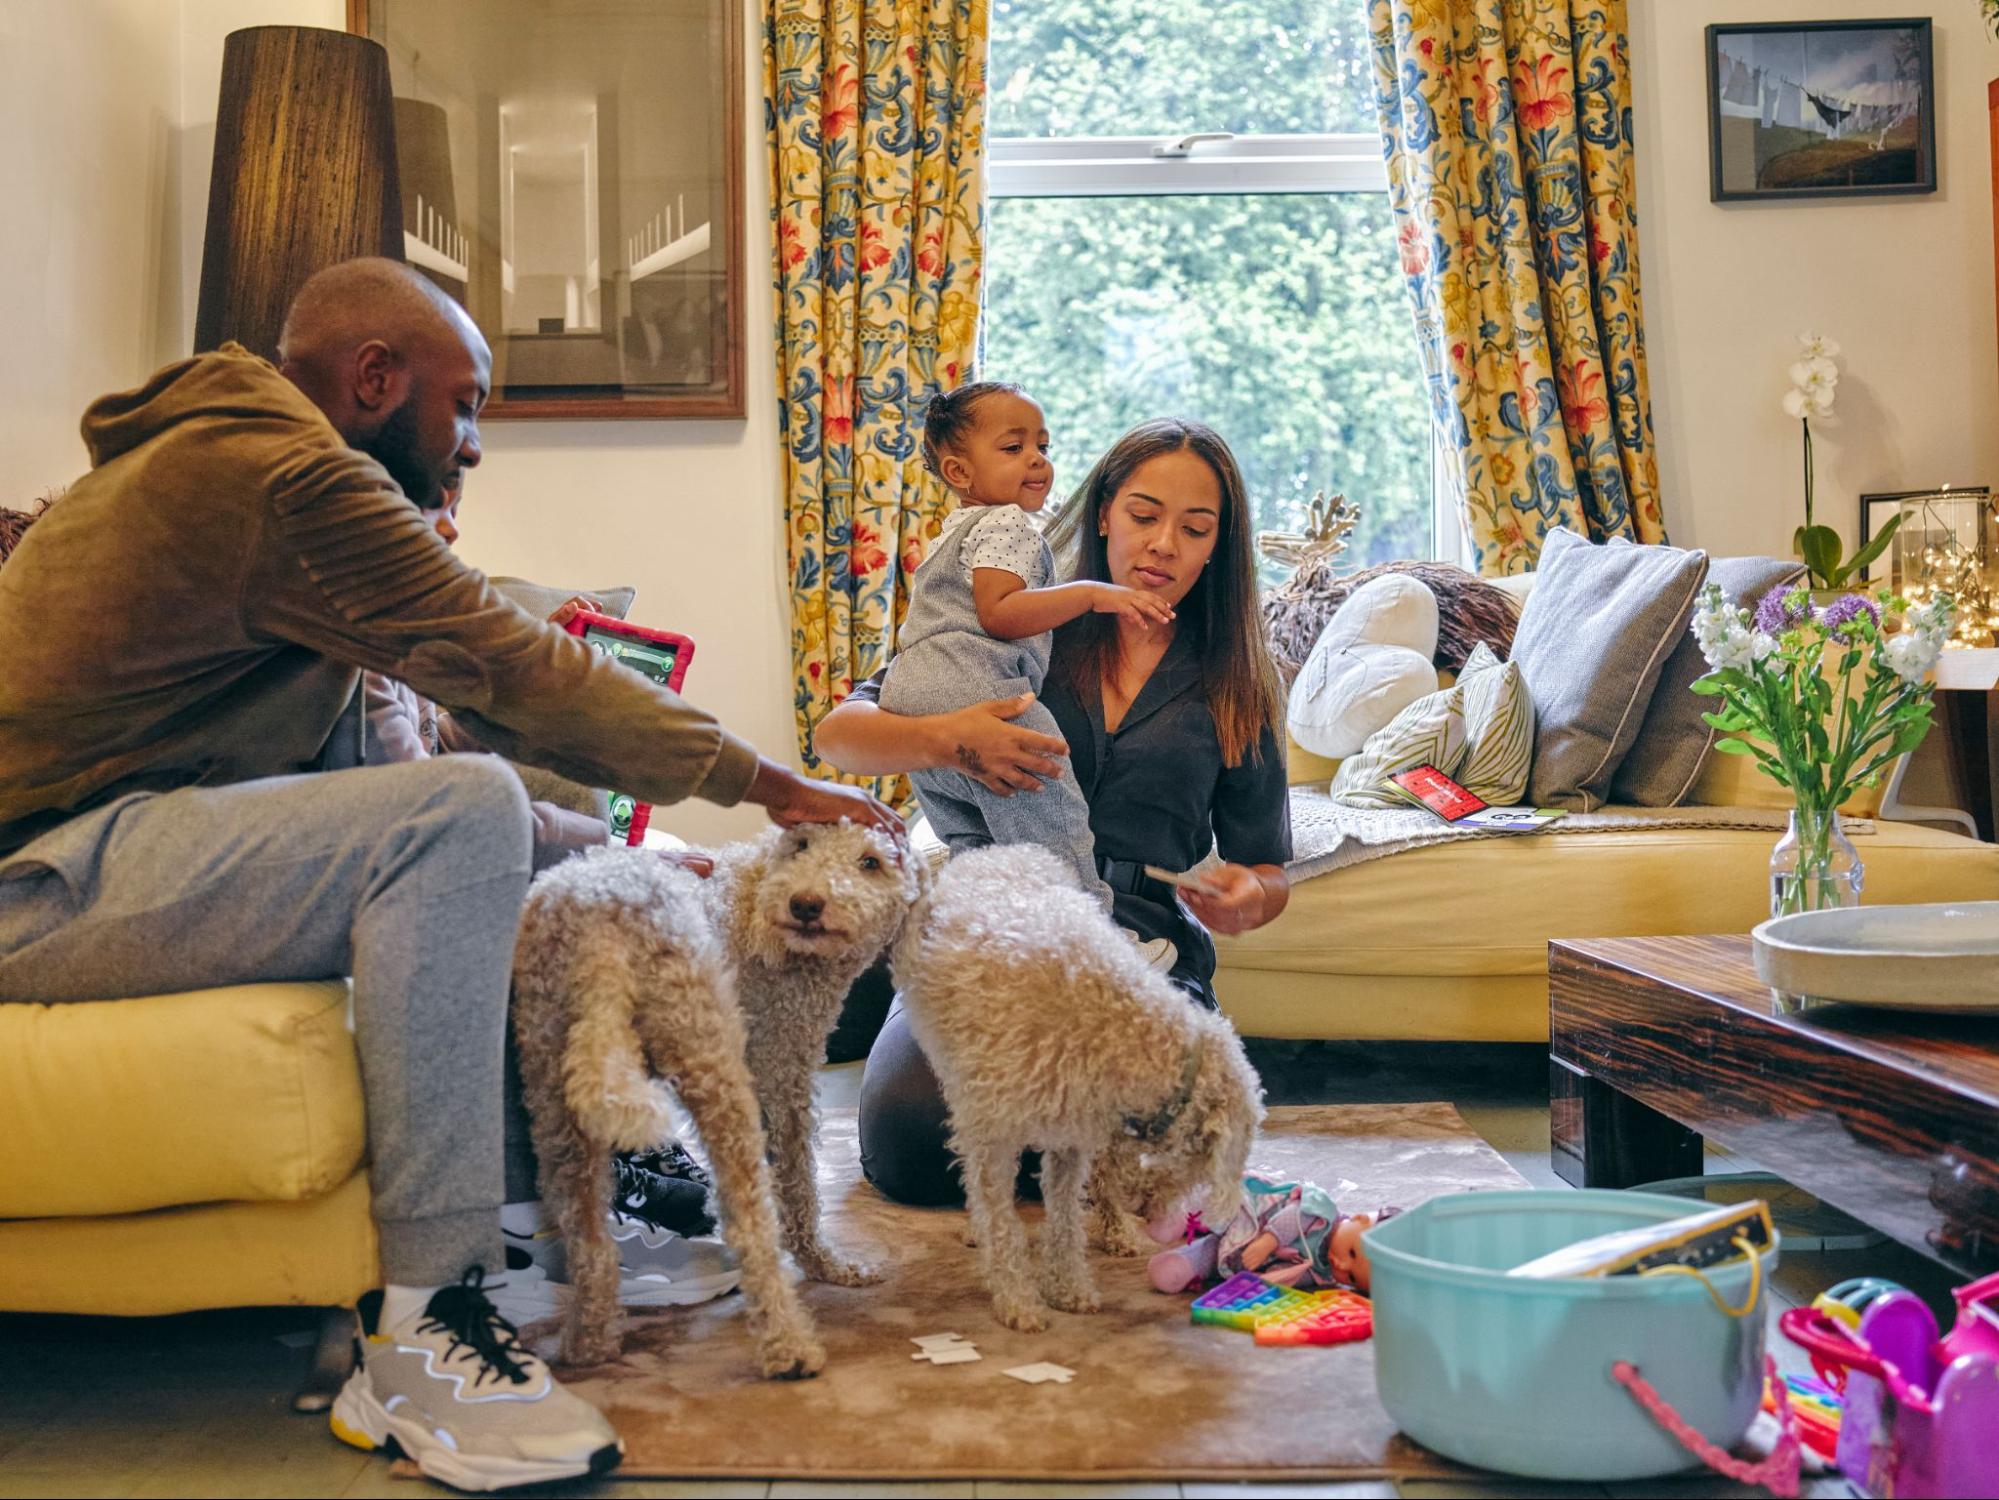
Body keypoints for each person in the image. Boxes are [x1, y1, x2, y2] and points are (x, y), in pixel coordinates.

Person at [0, 257, 897, 1490]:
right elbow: (513, 664)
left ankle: (524, 1216)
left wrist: (619, 850)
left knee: (473, 824)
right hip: (34, 885)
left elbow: (376, 776)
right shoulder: (286, 476)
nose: (472, 444)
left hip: (113, 852)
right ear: (374, 379)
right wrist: (774, 787)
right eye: (463, 403)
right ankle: (424, 1329)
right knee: (461, 807)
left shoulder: (227, 462)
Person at [813, 417, 1293, 1207]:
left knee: (1130, 1136)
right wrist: (947, 739)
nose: (1163, 544)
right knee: (911, 1146)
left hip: (1137, 941)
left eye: (1194, 528)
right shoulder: (1018, 622)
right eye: (1143, 516)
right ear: (1102, 512)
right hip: (988, 925)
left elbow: (1266, 867)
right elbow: (840, 737)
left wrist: (1249, 898)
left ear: (1218, 546)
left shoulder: (1237, 678)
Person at [878, 383, 1172, 909]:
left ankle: (984, 927)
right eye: (1014, 449)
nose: (1037, 461)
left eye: (1043, 446)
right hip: (976, 688)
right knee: (1051, 809)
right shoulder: (1007, 522)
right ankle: (1087, 924)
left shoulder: (954, 530)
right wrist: (1090, 594)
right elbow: (1001, 613)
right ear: (959, 473)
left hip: (911, 695)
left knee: (972, 837)